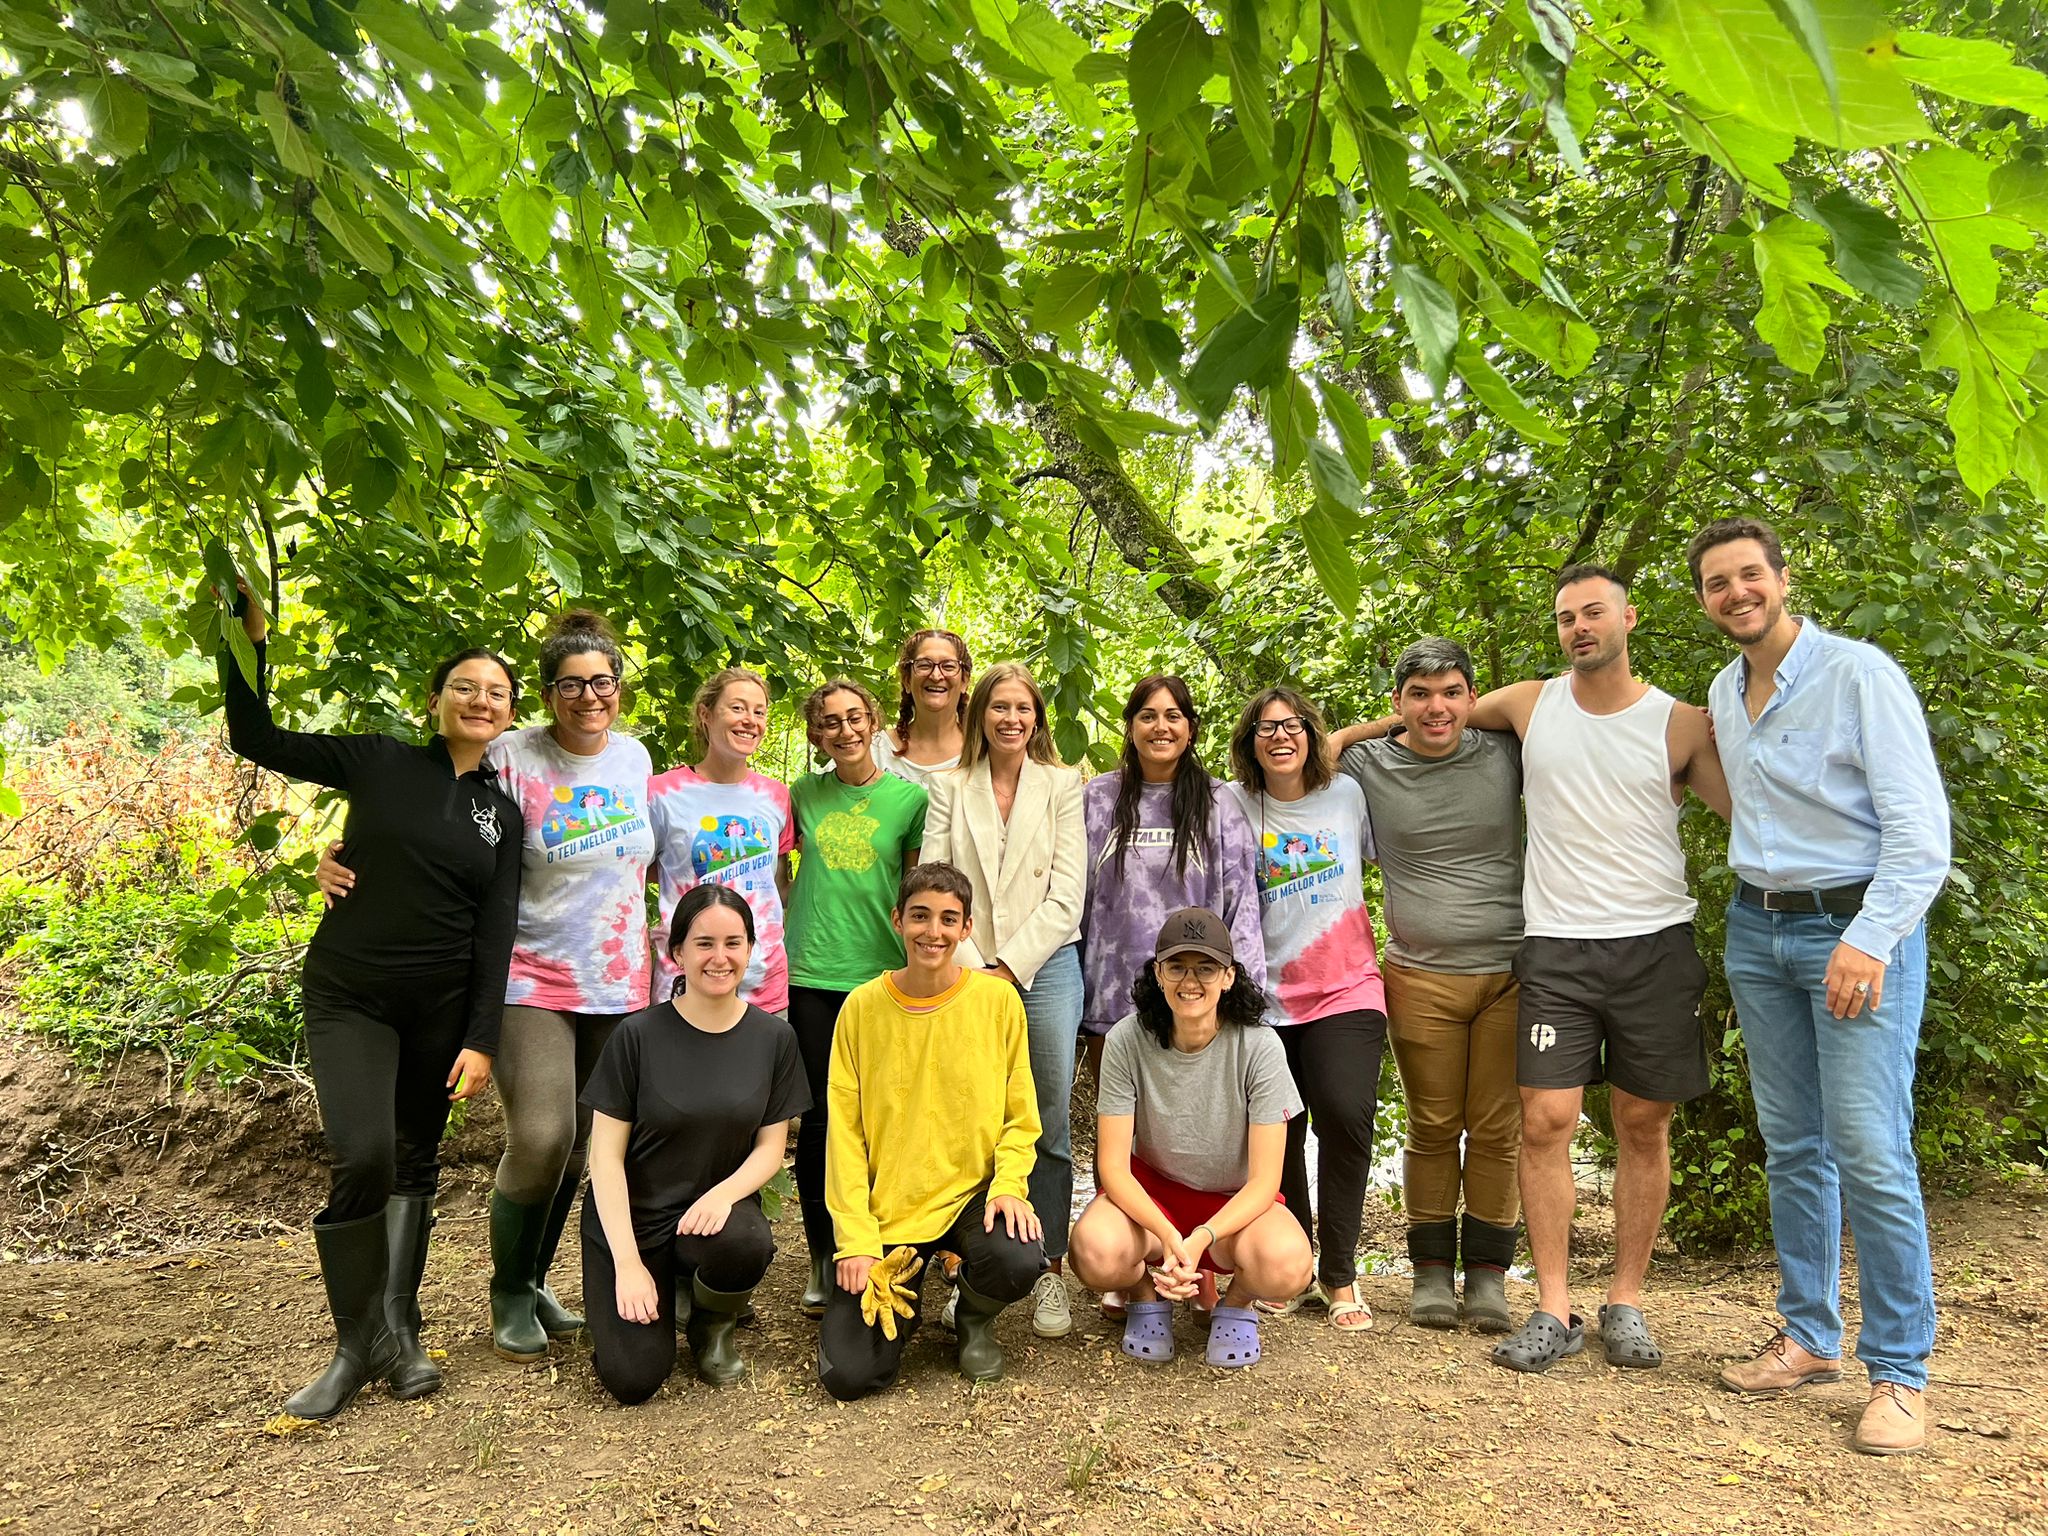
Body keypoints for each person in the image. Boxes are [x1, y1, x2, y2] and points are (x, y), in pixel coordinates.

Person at [316, 610, 657, 1365]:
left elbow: (663, 858)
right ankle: (507, 1290)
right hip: (528, 972)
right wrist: (345, 853)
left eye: (602, 681)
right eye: (571, 684)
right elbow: (431, 811)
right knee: (541, 1136)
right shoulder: (509, 754)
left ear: (619, 688)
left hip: (618, 980)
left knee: (581, 1146)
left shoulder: (636, 759)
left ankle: (534, 1282)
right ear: (548, 693)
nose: (589, 696)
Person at [219, 581, 520, 1420]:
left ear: (509, 715)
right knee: (364, 1157)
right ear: (435, 701)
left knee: (416, 1160)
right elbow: (254, 737)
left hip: (441, 1009)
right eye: (464, 686)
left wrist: (482, 1038)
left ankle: (400, 1327)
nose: (480, 700)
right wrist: (247, 643)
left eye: (496, 693)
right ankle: (355, 1346)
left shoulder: (503, 815)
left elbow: (496, 932)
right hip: (350, 994)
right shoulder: (378, 761)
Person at [1690, 517, 1949, 1456]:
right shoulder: (1724, 692)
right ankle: (1808, 1336)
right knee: (1795, 1144)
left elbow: (1920, 833)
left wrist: (1868, 940)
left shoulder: (1858, 675)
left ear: (1783, 578)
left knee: (1871, 1149)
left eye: (1749, 575)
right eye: (1718, 583)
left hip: (1856, 932)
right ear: (1704, 600)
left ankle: (1901, 1374)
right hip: (1757, 932)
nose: (1737, 593)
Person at [1453, 566, 1730, 1375]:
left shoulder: (1680, 723)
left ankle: (1627, 1301)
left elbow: (1749, 814)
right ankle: (1552, 1307)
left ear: (1628, 618)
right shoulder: (1529, 704)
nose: (1579, 626)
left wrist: (1747, 731)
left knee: (1643, 1124)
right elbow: (1435, 712)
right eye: (1566, 617)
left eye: (1593, 612)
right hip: (1557, 948)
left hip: (1654, 947)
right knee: (1545, 1120)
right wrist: (1339, 741)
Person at [1335, 638, 1527, 1334]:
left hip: (1512, 972)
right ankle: (1432, 1273)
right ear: (1397, 702)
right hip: (1420, 975)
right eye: (1419, 695)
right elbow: (1312, 752)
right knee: (1434, 1125)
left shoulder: (1507, 752)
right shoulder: (1367, 764)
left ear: (1473, 697)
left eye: (1451, 693)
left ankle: (1489, 1277)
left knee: (1499, 1129)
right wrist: (1372, 730)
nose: (1436, 707)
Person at [816, 863, 1043, 1399]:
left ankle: (973, 1318)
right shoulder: (860, 1008)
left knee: (1017, 1253)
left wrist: (1009, 1185)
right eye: (920, 916)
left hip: (971, 1196)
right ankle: (909, 1309)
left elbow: (1020, 1116)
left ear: (967, 928)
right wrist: (856, 1241)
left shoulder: (998, 1003)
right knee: (848, 1376)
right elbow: (844, 1135)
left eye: (947, 919)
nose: (933, 932)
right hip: (890, 1209)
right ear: (898, 920)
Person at [580, 885, 810, 1404]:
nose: (719, 957)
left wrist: (724, 1195)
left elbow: (771, 1148)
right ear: (677, 952)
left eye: (733, 943)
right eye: (704, 943)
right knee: (634, 1379)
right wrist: (628, 1265)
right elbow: (605, 1159)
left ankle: (710, 1323)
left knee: (746, 1241)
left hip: (708, 1217)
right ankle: (653, 1292)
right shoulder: (636, 1036)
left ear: (751, 949)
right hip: (633, 1222)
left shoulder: (774, 1039)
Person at [1080, 675, 1263, 1319]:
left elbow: (1242, 902)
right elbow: (1075, 899)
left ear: (1191, 728)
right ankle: (1134, 1275)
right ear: (1130, 725)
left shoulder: (1218, 803)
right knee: (1126, 1140)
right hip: (1112, 995)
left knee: (1199, 1135)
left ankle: (1200, 1264)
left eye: (1174, 716)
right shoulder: (1098, 799)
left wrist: (1243, 999)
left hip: (1199, 997)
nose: (1161, 727)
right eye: (1148, 715)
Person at [1068, 908, 1312, 1368]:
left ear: (1228, 977)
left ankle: (1235, 1304)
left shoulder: (1259, 1047)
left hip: (1232, 1205)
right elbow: (1113, 1167)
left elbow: (1265, 1181)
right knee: (1094, 1252)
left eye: (1206, 968)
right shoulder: (1125, 1040)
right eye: (1177, 967)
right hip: (1151, 1198)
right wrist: (1167, 1235)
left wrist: (1200, 1239)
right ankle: (1144, 1295)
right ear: (1158, 974)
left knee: (1288, 1265)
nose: (1190, 981)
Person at [922, 663, 1087, 1339]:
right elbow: (932, 880)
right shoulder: (947, 786)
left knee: (1046, 1115)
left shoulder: (1063, 785)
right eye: (998, 707)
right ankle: (971, 1268)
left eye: (1022, 707)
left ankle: (1048, 1268)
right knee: (970, 1116)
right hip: (962, 963)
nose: (1011, 718)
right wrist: (975, 966)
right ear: (978, 715)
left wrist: (1010, 968)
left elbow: (1068, 894)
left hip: (1045, 967)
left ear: (1036, 717)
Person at [1222, 689, 1385, 1332]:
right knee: (1279, 1132)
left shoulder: (1346, 795)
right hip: (1262, 998)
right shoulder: (1232, 803)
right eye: (1266, 729)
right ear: (1249, 742)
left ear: (1312, 734)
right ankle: (1292, 1265)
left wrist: (1387, 719)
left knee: (1345, 1115)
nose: (1280, 738)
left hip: (1347, 986)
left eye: (1293, 726)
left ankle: (1340, 1273)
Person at [786, 679, 928, 1316]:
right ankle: (825, 1252)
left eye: (854, 718)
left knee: (887, 1116)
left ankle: (891, 1245)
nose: (843, 730)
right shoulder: (800, 795)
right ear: (816, 734)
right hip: (813, 972)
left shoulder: (909, 800)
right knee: (821, 1120)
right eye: (829, 722)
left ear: (874, 722)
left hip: (882, 974)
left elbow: (916, 888)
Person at [647, 667, 796, 1012]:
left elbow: (776, 884)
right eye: (737, 708)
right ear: (706, 714)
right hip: (685, 984)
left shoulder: (776, 796)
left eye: (759, 712)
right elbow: (642, 872)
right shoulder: (662, 793)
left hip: (763, 984)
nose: (750, 720)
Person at [872, 628, 972, 784]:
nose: (936, 676)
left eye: (948, 666)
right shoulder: (875, 751)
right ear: (907, 680)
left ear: (964, 681)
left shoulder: (983, 752)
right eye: (924, 665)